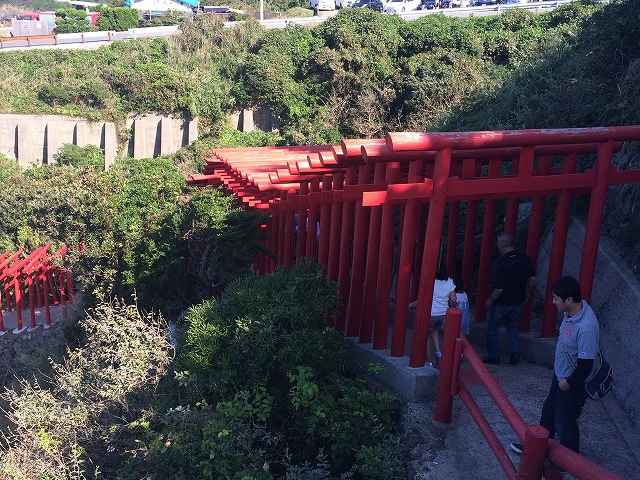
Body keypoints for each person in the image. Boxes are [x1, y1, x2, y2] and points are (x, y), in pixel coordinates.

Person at [511, 276, 599, 455]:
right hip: (560, 376)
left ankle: (569, 462)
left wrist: (568, 383)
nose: (553, 302)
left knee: (565, 424)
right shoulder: (571, 313)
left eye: (556, 299)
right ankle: (537, 450)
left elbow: (586, 365)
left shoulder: (586, 328)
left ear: (569, 300)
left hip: (571, 384)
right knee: (549, 414)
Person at [483, 232, 535, 365]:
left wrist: (490, 300)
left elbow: (499, 289)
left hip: (502, 302)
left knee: (493, 328)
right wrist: (526, 292)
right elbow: (532, 279)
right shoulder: (524, 259)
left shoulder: (503, 263)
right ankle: (514, 353)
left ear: (501, 245)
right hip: (518, 301)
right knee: (512, 326)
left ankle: (494, 356)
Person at [410, 266, 456, 367]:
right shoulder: (449, 281)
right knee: (434, 330)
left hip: (431, 313)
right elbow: (453, 300)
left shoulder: (430, 280)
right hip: (443, 314)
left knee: (425, 335)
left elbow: (421, 299)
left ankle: (429, 361)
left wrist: (409, 305)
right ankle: (438, 353)